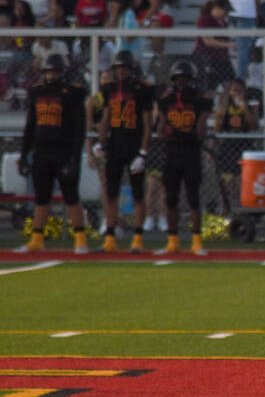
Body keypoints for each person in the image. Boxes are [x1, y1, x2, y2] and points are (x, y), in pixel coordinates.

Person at [14, 55, 89, 255]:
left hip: (63, 151)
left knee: (71, 196)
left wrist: (74, 157)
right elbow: (30, 126)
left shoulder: (71, 93)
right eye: (49, 71)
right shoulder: (37, 92)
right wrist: (23, 154)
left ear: (62, 72)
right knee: (41, 197)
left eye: (55, 71)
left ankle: (80, 239)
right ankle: (37, 239)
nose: (52, 75)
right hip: (42, 151)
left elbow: (79, 129)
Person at [94, 51, 155, 254]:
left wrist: (143, 152)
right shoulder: (109, 89)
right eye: (118, 67)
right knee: (111, 194)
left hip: (133, 146)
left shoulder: (141, 90)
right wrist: (100, 142)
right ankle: (110, 237)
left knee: (138, 194)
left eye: (124, 67)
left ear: (131, 68)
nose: (121, 71)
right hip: (115, 146)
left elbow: (147, 125)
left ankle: (138, 237)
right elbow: (105, 118)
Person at [154, 60, 212, 256]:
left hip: (191, 153)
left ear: (190, 79)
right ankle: (173, 241)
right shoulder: (166, 101)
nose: (181, 83)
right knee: (171, 199)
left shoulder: (198, 100)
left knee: (193, 198)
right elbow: (160, 132)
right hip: (172, 154)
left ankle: (197, 241)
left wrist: (177, 132)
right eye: (178, 79)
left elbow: (200, 133)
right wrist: (174, 133)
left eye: (184, 79)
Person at [213, 77, 260, 214]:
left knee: (242, 181)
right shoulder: (224, 105)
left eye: (240, 91)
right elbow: (217, 128)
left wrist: (245, 108)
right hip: (228, 146)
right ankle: (228, 210)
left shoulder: (250, 105)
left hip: (243, 146)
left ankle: (243, 210)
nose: (237, 94)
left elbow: (254, 126)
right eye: (234, 91)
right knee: (228, 182)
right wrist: (221, 113)